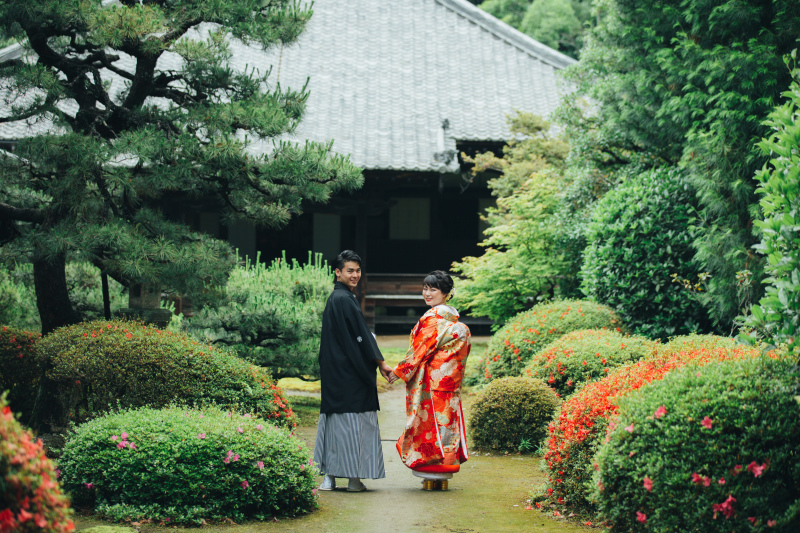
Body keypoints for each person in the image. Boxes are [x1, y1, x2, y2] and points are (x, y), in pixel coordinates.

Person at [314, 250, 394, 492]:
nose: (355, 275)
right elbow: (362, 339)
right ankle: (353, 479)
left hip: (334, 372)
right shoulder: (344, 299)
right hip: (351, 374)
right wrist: (379, 363)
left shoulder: (335, 299)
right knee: (355, 424)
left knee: (332, 422)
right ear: (338, 272)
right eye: (350, 270)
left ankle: (328, 478)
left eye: (358, 270)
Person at [391, 270, 471, 482]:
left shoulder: (435, 319)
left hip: (432, 384)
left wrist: (399, 371)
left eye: (432, 289)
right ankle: (443, 469)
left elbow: (419, 350)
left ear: (445, 293)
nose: (427, 293)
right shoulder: (452, 320)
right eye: (425, 288)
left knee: (432, 425)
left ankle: (432, 471)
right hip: (449, 383)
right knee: (446, 425)